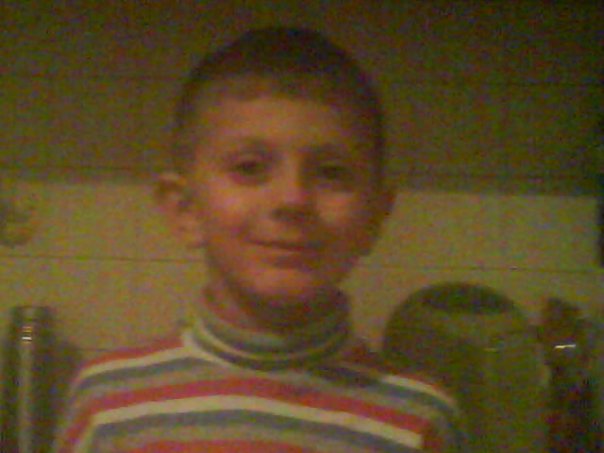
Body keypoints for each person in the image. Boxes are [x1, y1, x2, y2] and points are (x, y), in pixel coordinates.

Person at [53, 27, 466, 452]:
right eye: (249, 167)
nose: (292, 199)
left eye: (331, 172)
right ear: (185, 209)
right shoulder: (106, 405)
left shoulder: (420, 420)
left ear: (375, 217)